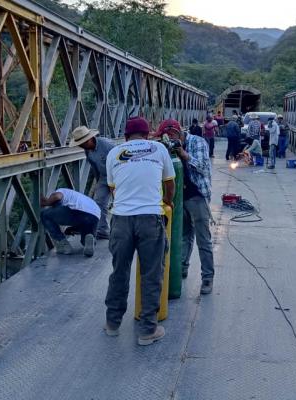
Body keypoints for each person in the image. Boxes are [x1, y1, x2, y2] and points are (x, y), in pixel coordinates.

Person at [104, 116, 174, 346]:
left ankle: (112, 324)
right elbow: (170, 183)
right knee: (151, 274)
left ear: (126, 136)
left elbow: (113, 189)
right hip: (150, 218)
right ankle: (147, 331)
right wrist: (168, 201)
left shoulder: (113, 153)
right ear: (148, 134)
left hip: (121, 220)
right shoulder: (159, 148)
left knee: (119, 272)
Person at [155, 119, 215, 294]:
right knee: (184, 235)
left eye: (168, 137)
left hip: (197, 195)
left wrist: (183, 153)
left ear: (176, 132)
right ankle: (181, 268)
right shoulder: (165, 147)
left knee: (203, 239)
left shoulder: (197, 142)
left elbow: (203, 166)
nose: (168, 141)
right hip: (179, 197)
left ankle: (207, 278)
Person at [70, 126, 115, 239]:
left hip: (117, 177)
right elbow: (94, 166)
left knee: (120, 203)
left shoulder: (108, 146)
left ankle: (122, 231)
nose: (80, 146)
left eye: (82, 143)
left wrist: (115, 184)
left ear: (89, 139)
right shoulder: (87, 150)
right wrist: (98, 180)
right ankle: (103, 231)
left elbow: (121, 161)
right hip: (104, 177)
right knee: (99, 202)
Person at [40, 188, 100, 257]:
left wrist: (47, 203)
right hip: (95, 215)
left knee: (45, 215)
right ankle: (89, 239)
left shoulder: (61, 190)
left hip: (76, 211)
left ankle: (62, 244)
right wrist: (72, 229)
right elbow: (83, 219)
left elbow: (57, 196)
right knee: (86, 239)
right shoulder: (78, 196)